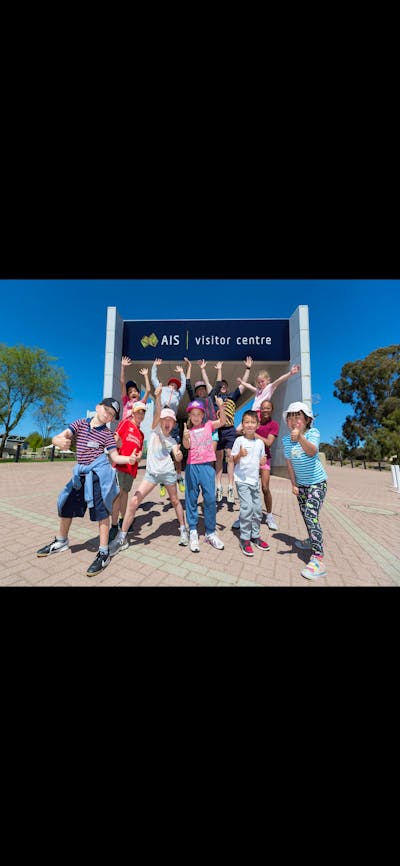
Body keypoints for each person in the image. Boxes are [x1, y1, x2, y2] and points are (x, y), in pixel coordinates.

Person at [36, 398, 138, 577]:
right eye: (106, 410)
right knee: (66, 505)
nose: (107, 415)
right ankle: (61, 541)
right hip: (80, 473)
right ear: (98, 407)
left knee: (102, 511)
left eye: (112, 415)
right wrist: (58, 441)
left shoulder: (107, 434)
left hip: (98, 474)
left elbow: (114, 457)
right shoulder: (80, 424)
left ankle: (104, 552)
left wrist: (128, 459)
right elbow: (60, 436)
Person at [109, 386, 189, 556]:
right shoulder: (154, 431)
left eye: (171, 420)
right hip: (151, 474)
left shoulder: (173, 440)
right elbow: (157, 413)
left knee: (175, 501)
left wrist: (179, 454)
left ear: (174, 424)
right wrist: (158, 398)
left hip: (167, 473)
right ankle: (122, 538)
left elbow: (177, 454)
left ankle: (183, 529)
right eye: (165, 419)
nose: (167, 422)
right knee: (133, 502)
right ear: (161, 421)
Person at [282, 401, 328, 579]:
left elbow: (312, 451)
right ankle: (311, 538)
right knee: (306, 515)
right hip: (301, 485)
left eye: (298, 417)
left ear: (307, 420)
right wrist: (293, 484)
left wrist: (300, 437)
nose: (294, 421)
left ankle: (318, 558)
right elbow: (289, 464)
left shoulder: (313, 433)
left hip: (318, 483)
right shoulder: (286, 440)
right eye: (290, 418)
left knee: (310, 514)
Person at [182, 396, 227, 553]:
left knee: (209, 499)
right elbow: (186, 446)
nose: (195, 417)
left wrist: (221, 407)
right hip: (192, 466)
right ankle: (193, 531)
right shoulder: (188, 430)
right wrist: (184, 437)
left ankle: (210, 533)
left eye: (198, 414)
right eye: (192, 414)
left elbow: (222, 421)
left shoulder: (208, 425)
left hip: (207, 467)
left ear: (203, 415)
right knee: (191, 499)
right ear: (190, 416)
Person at [232, 398, 279, 531]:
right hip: (248, 458)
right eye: (263, 408)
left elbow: (268, 443)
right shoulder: (253, 422)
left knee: (264, 487)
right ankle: (243, 516)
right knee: (245, 487)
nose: (265, 410)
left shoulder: (273, 425)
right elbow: (240, 432)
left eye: (268, 408)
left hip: (264, 458)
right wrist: (249, 430)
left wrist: (253, 433)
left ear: (272, 410)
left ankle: (269, 516)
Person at [213, 357, 253, 503]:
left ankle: (230, 487)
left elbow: (242, 387)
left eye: (225, 385)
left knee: (230, 456)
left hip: (229, 430)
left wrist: (247, 369)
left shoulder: (231, 397)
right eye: (221, 385)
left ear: (227, 388)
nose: (222, 386)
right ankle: (218, 487)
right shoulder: (215, 399)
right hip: (218, 431)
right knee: (217, 458)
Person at [231, 410, 270, 556]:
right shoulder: (239, 441)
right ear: (242, 424)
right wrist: (239, 455)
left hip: (254, 481)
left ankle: (255, 535)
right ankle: (245, 538)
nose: (249, 425)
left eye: (253, 422)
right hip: (242, 480)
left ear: (258, 425)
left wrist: (263, 461)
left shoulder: (260, 443)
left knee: (258, 510)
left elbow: (262, 458)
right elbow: (232, 460)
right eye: (246, 422)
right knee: (247, 509)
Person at [108, 401, 146, 542]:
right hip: (120, 465)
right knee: (117, 494)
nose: (140, 415)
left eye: (143, 413)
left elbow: (140, 450)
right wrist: (116, 442)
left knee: (124, 495)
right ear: (133, 412)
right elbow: (116, 437)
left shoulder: (141, 434)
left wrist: (140, 455)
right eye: (138, 412)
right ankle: (113, 526)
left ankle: (122, 521)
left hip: (130, 469)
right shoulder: (125, 423)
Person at [151, 358, 186, 495]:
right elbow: (154, 378)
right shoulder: (162, 389)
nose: (173, 386)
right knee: (162, 452)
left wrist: (182, 372)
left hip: (173, 424)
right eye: (171, 384)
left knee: (175, 451)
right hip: (161, 423)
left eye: (175, 385)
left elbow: (183, 385)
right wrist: (155, 365)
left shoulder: (179, 394)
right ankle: (162, 481)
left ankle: (179, 477)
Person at [184, 357, 222, 453]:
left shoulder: (211, 398)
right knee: (200, 455)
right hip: (199, 430)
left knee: (211, 456)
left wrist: (219, 369)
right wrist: (189, 367)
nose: (201, 390)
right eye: (198, 389)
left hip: (212, 429)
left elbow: (218, 385)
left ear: (205, 390)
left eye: (203, 389)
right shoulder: (195, 400)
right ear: (196, 392)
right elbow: (187, 384)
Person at [120, 356, 150, 420]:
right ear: (128, 395)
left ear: (139, 394)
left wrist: (146, 375)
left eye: (135, 391)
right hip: (125, 425)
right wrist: (123, 367)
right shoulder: (126, 401)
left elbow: (148, 390)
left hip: (134, 426)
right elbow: (122, 382)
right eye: (130, 392)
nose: (133, 392)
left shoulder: (141, 403)